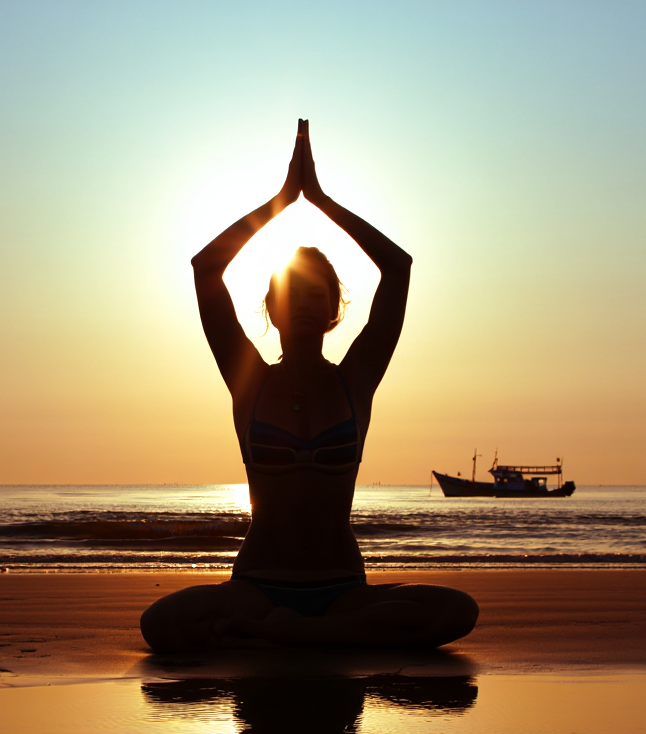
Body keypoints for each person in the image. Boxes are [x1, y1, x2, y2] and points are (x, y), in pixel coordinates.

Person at [140, 120, 478, 651]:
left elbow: (399, 268)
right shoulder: (248, 380)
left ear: (334, 309)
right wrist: (280, 201)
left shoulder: (356, 380)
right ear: (270, 308)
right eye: (289, 292)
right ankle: (319, 637)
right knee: (158, 624)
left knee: (459, 611)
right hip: (258, 586)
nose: (301, 302)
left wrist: (318, 199)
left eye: (314, 293)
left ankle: (294, 635)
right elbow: (207, 268)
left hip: (341, 586)